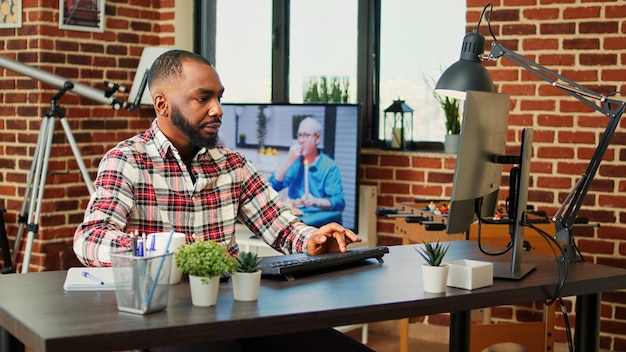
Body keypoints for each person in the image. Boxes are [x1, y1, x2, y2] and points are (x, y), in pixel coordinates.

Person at [73, 49, 372, 352]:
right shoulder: (127, 160)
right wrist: (171, 252)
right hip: (166, 320)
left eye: (219, 98)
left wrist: (312, 239)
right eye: (203, 99)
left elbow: (282, 227)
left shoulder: (232, 164)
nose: (218, 110)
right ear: (162, 104)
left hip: (237, 309)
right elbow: (90, 239)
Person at [268, 117, 345, 220]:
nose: (301, 141)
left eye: (306, 135)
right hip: (295, 218)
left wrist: (315, 201)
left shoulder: (329, 167)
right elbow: (273, 186)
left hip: (318, 222)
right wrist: (288, 160)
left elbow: (338, 202)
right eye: (299, 135)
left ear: (317, 138)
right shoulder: (295, 162)